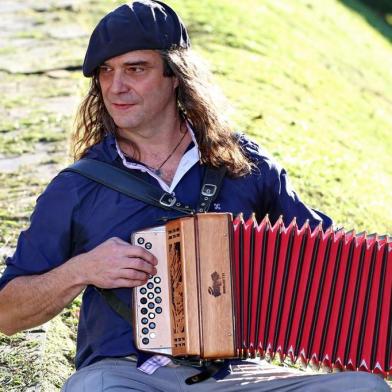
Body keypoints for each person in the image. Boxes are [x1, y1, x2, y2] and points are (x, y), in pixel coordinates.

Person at [0, 1, 389, 391]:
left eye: (135, 69)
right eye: (105, 71)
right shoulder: (79, 186)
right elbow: (6, 312)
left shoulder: (241, 164)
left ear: (176, 76)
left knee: (365, 387)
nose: (116, 86)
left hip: (236, 376)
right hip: (128, 374)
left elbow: (335, 262)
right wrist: (81, 270)